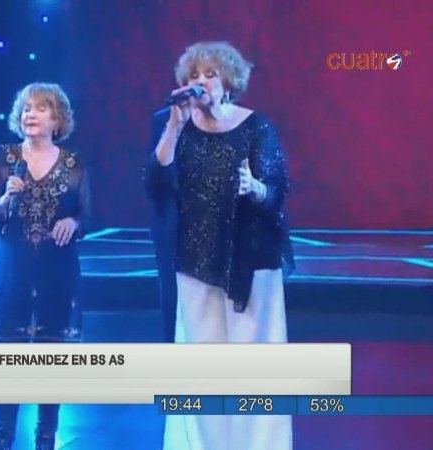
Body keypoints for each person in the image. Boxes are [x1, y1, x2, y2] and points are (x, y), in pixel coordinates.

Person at [144, 41, 295, 450]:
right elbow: (154, 185)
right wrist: (174, 128)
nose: (201, 82)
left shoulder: (256, 126)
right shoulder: (172, 126)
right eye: (193, 76)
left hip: (251, 260)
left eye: (210, 75)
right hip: (195, 259)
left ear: (228, 82)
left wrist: (255, 188)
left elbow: (277, 189)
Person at [0, 82, 92, 450]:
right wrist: (5, 199)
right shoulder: (3, 157)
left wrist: (73, 222)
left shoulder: (74, 163)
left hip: (58, 274)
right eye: (26, 108)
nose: (31, 114)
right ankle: (3, 440)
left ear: (57, 119)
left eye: (41, 108)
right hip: (11, 273)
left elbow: (88, 215)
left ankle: (45, 440)